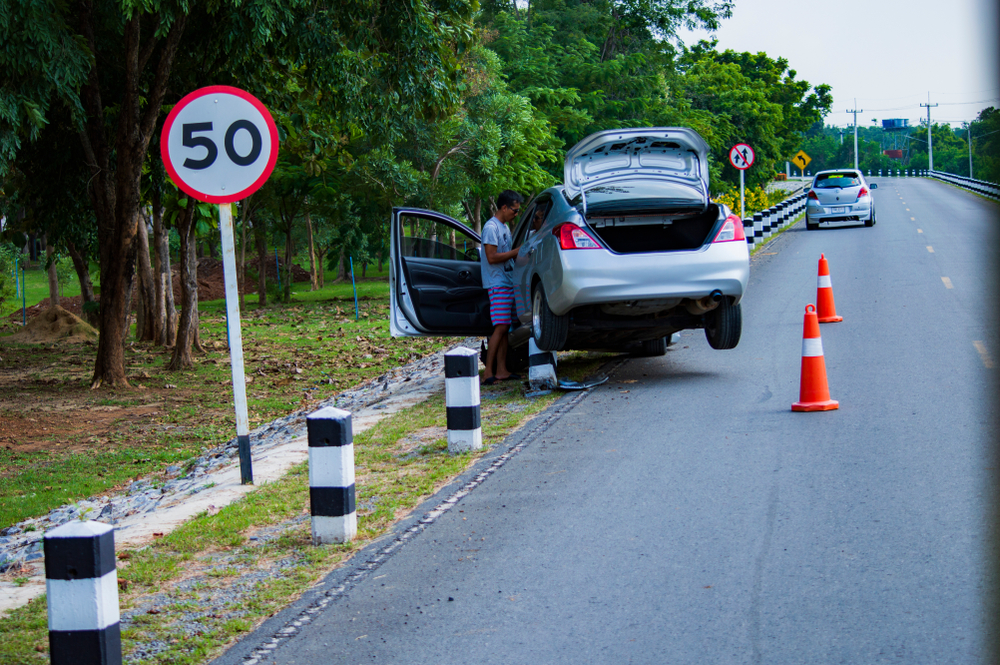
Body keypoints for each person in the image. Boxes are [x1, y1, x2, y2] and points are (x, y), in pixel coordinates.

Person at [480, 189, 524, 385]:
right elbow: (491, 257)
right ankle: (488, 371)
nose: (516, 214)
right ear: (504, 207)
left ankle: (502, 370)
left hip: (506, 281)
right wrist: (516, 252)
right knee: (500, 327)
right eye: (514, 210)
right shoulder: (491, 227)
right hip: (497, 283)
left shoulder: (504, 227)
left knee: (505, 327)